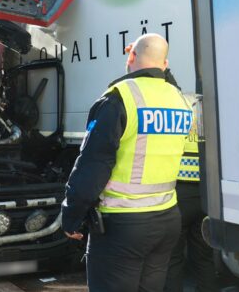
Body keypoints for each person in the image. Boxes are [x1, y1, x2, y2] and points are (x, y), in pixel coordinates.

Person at [61, 33, 192, 292]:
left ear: (131, 55)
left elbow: (93, 164)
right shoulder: (179, 99)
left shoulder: (119, 98)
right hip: (166, 219)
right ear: (164, 64)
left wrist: (71, 214)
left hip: (123, 225)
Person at [164, 96, 218, 292]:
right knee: (204, 257)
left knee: (173, 257)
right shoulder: (211, 118)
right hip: (207, 194)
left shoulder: (176, 119)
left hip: (179, 195)